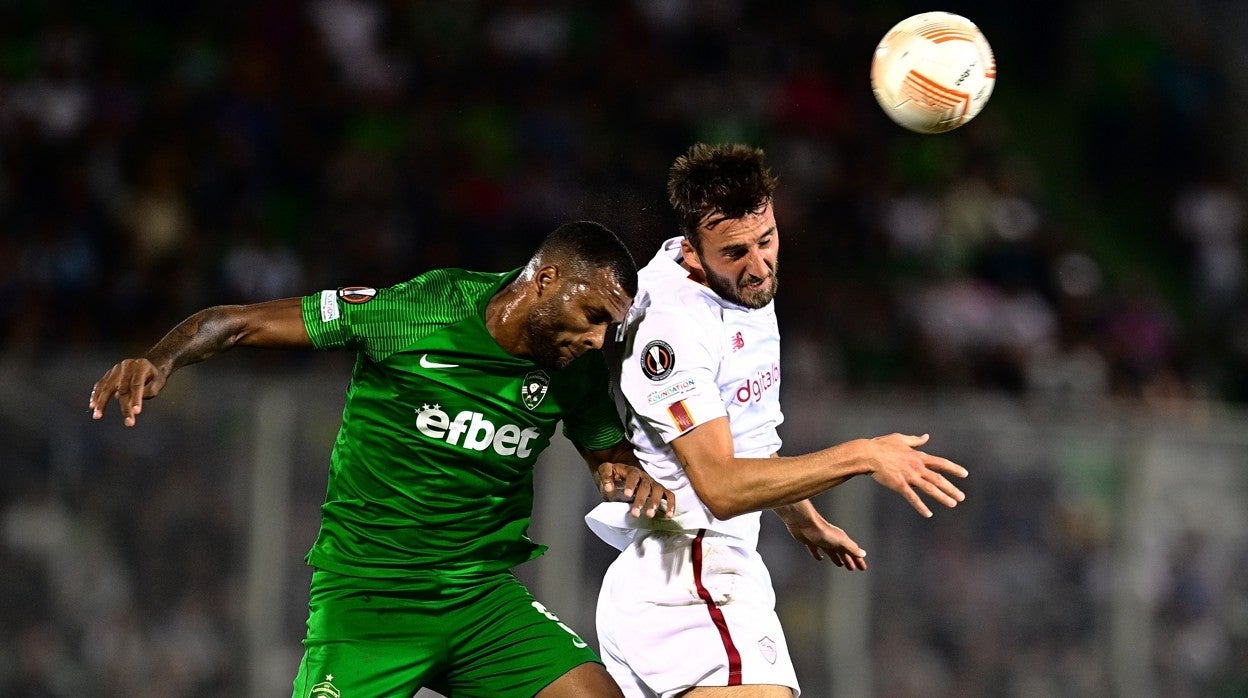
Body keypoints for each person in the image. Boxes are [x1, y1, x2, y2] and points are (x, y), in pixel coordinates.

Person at [90, 220, 676, 698]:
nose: (600, 339)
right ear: (546, 280)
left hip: (480, 599)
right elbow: (239, 325)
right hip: (370, 599)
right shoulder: (419, 310)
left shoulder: (571, 368)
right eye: (595, 316)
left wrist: (625, 476)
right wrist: (160, 359)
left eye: (611, 327)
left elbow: (608, 456)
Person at [585, 144, 970, 698]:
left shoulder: (740, 288)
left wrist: (801, 517)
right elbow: (718, 484)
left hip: (700, 568)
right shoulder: (671, 327)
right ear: (693, 250)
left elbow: (748, 437)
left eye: (766, 240)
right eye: (736, 251)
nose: (759, 264)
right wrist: (863, 454)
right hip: (690, 573)